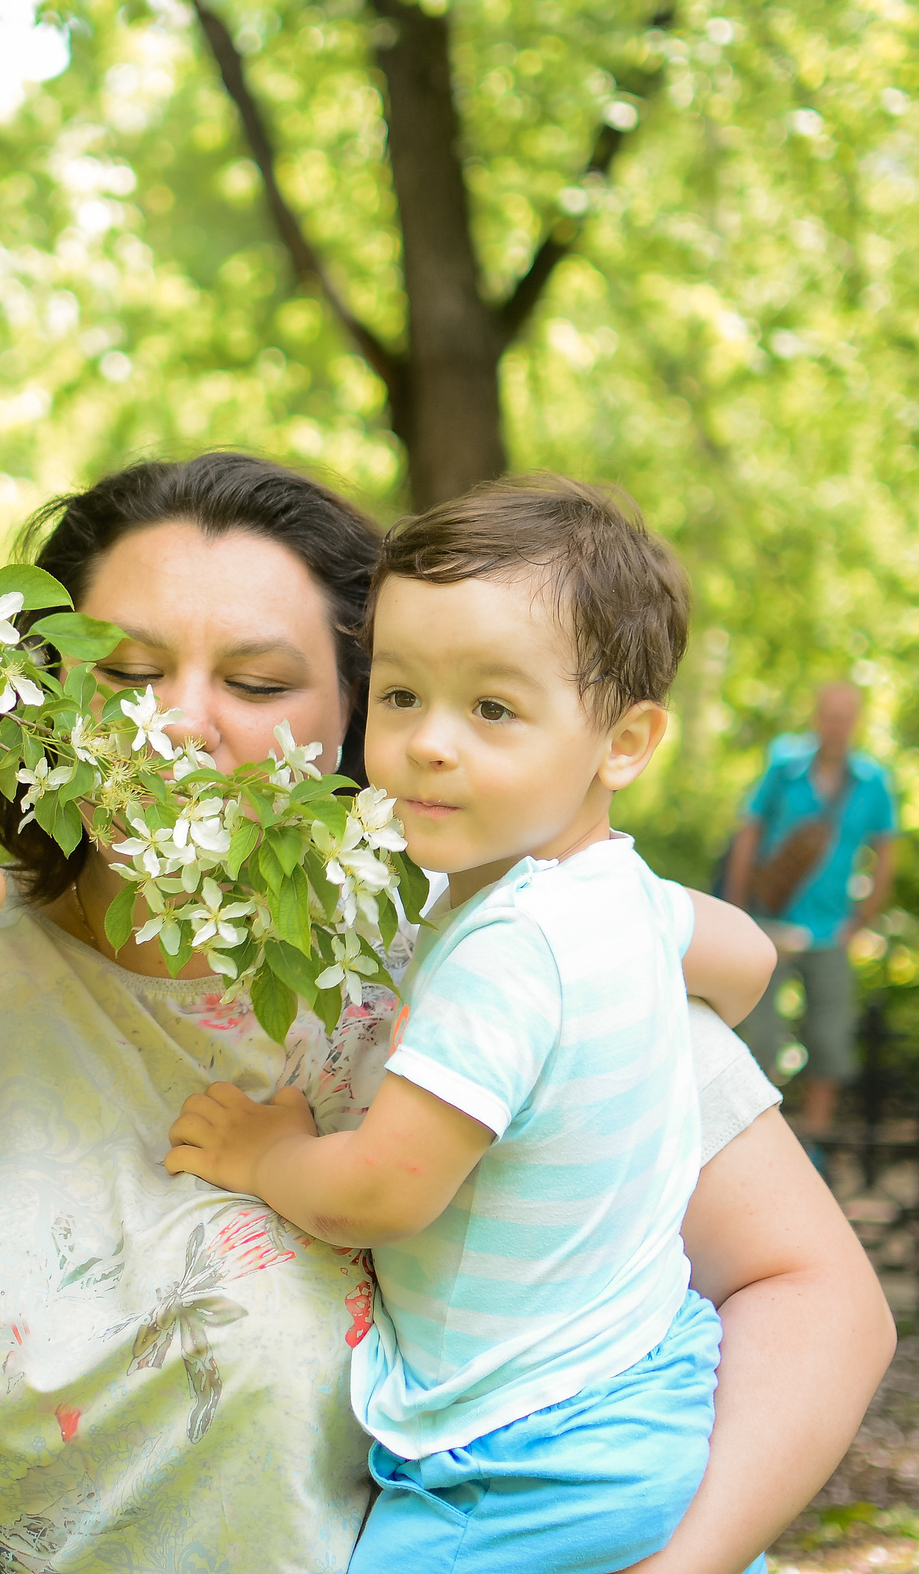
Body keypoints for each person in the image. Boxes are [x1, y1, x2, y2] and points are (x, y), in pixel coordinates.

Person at [0, 453, 895, 1574]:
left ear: (356, 724)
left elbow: (813, 1292)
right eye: (122, 672)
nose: (179, 722)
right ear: (33, 696)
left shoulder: (500, 949)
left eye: (258, 682)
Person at [164, 477, 779, 1573]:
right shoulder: (624, 898)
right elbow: (750, 958)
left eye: (492, 709)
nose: (428, 744)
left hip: (523, 1449)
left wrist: (268, 1153)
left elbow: (381, 1193)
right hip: (651, 1376)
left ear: (625, 744)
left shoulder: (509, 951)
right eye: (399, 697)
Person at [722, 681, 899, 1135]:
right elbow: (748, 833)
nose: (837, 724)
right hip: (769, 925)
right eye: (830, 714)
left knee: (828, 1040)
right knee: (758, 1039)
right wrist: (738, 909)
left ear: (856, 722)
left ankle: (816, 1144)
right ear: (817, 716)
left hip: (830, 931)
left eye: (846, 715)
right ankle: (760, 1138)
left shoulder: (872, 781)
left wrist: (862, 920)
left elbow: (886, 852)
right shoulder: (784, 767)